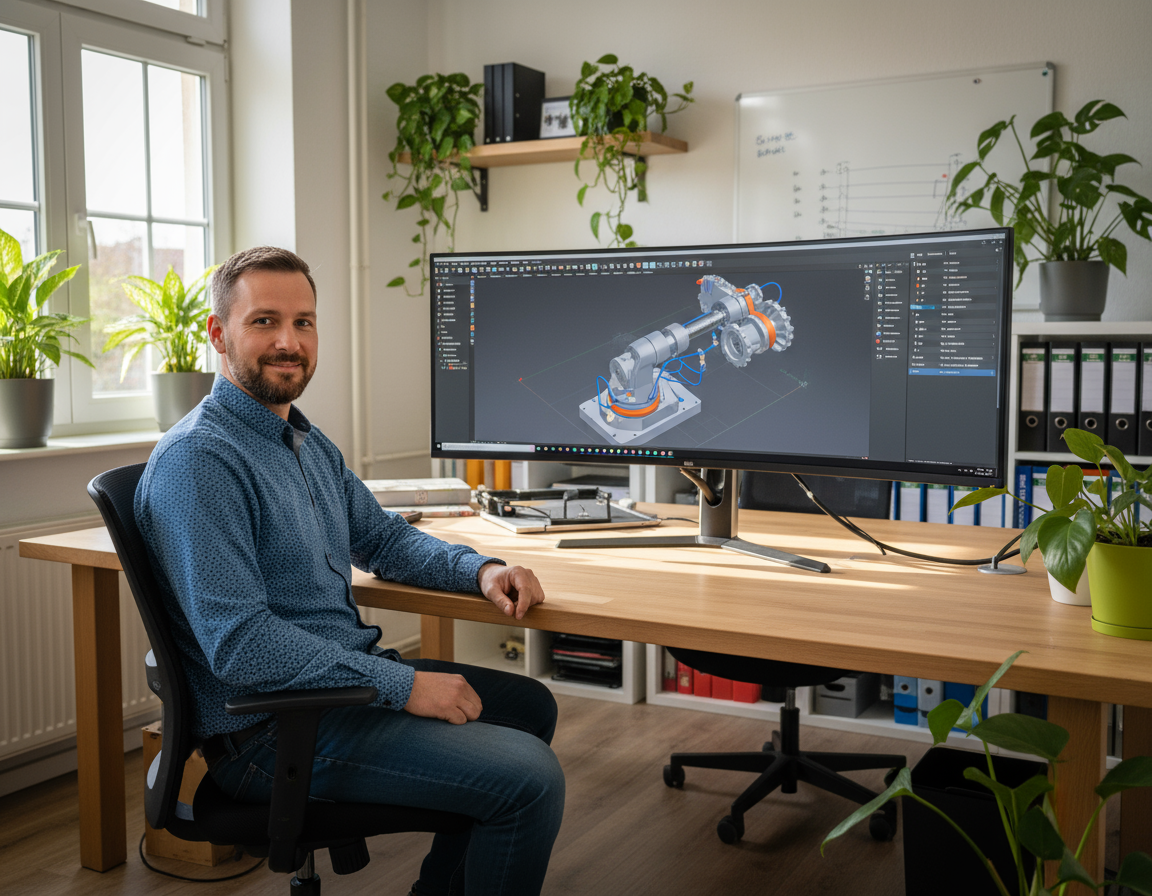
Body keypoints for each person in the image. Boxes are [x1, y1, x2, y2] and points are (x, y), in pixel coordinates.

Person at [135, 246, 564, 896]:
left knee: (528, 706)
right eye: (265, 322)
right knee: (531, 779)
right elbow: (242, 646)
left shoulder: (301, 441)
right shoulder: (200, 461)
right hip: (272, 729)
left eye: (304, 322)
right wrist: (401, 685)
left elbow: (384, 540)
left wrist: (481, 570)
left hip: (340, 689)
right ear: (219, 334)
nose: (289, 340)